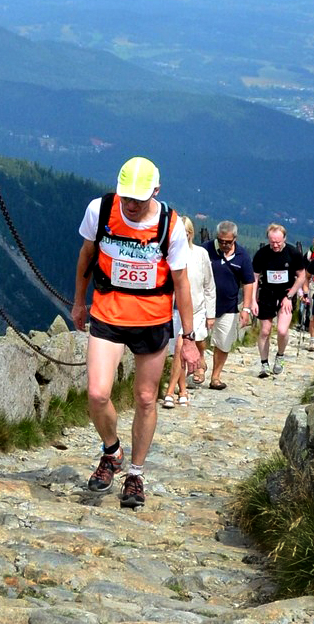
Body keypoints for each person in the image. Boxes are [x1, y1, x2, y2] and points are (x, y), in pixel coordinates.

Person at [72, 156, 200, 509]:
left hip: (152, 319)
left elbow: (181, 283)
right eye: (126, 196)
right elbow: (86, 256)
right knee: (97, 393)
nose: (130, 204)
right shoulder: (100, 210)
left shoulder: (170, 225)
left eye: (138, 199)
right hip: (108, 312)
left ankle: (136, 474)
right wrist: (79, 302)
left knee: (145, 398)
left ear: (155, 191)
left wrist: (189, 338)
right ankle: (112, 451)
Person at [162, 215, 215, 408]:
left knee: (180, 346)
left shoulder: (201, 254)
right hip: (172, 310)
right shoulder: (167, 253)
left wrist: (210, 314)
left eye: (186, 233)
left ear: (191, 234)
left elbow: (209, 285)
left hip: (196, 311)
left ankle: (170, 391)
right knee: (178, 351)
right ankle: (183, 391)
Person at [203, 221, 256, 391]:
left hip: (229, 306)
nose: (224, 244)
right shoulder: (206, 250)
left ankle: (215, 377)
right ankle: (199, 366)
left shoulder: (242, 255)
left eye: (228, 242)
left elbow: (248, 282)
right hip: (204, 304)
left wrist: (246, 309)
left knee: (224, 343)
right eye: (221, 241)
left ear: (235, 239)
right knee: (198, 338)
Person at [251, 223, 307, 377]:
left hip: (286, 293)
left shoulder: (293, 253)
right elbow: (254, 278)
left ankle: (280, 356)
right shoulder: (262, 254)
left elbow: (301, 276)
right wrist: (253, 300)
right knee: (265, 331)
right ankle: (264, 364)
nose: (275, 245)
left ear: (284, 239)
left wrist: (290, 296)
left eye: (278, 242)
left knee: (282, 330)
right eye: (272, 242)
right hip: (267, 293)